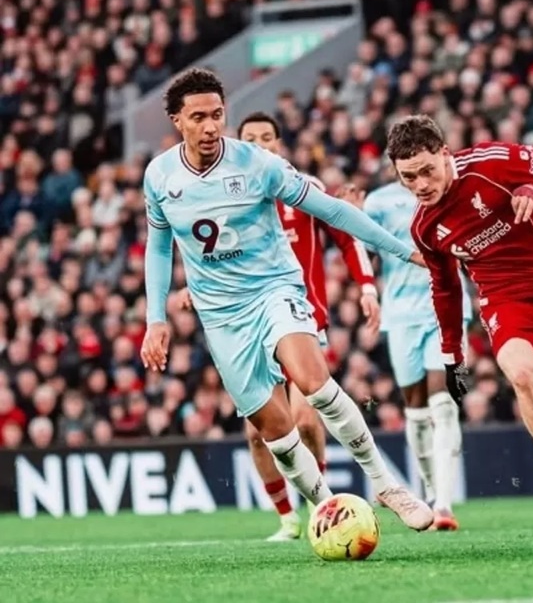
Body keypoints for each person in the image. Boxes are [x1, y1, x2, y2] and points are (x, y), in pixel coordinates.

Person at [140, 68, 433, 531]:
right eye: (199, 117)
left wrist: (402, 251)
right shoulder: (159, 176)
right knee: (273, 429)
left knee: (312, 380)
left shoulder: (258, 164)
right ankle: (326, 508)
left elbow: (332, 208)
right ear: (178, 120)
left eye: (218, 115)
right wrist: (155, 318)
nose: (211, 126)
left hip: (274, 289)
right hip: (220, 315)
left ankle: (385, 483)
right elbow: (159, 247)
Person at [385, 115, 533, 529]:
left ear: (445, 154)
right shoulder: (425, 228)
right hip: (508, 303)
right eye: (409, 177)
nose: (421, 184)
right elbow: (445, 290)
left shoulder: (491, 162)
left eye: (428, 170)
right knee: (522, 376)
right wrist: (453, 357)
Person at [177, 112, 382, 541]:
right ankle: (287, 517)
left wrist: (366, 286)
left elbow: (345, 234)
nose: (260, 144)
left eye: (267, 137)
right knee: (257, 433)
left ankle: (319, 507)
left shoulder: (300, 188)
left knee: (307, 420)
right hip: (249, 321)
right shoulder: (224, 195)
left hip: (300, 317)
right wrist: (197, 287)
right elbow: (209, 250)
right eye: (251, 138)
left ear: (279, 143)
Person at [345, 177, 474, 531]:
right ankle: (432, 493)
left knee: (444, 403)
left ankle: (445, 504)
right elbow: (357, 241)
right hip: (401, 315)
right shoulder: (380, 200)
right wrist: (356, 219)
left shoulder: (451, 187)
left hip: (447, 309)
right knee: (415, 410)